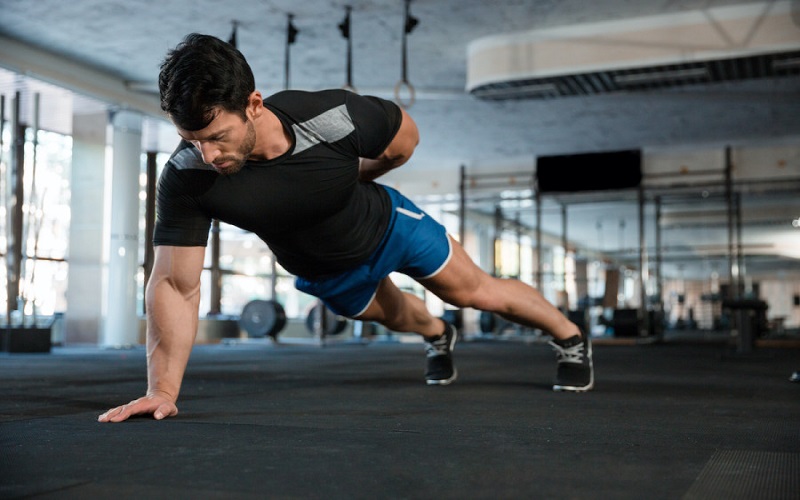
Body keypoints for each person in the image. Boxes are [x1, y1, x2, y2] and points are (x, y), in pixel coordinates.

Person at [98, 33, 593, 423]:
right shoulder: (188, 175)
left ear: (253, 104)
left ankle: (570, 338)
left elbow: (405, 140)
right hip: (328, 272)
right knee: (406, 319)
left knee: (475, 292)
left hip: (388, 224)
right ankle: (438, 335)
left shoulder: (329, 118)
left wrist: (360, 175)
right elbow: (175, 284)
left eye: (217, 137)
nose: (208, 154)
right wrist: (161, 391)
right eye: (193, 139)